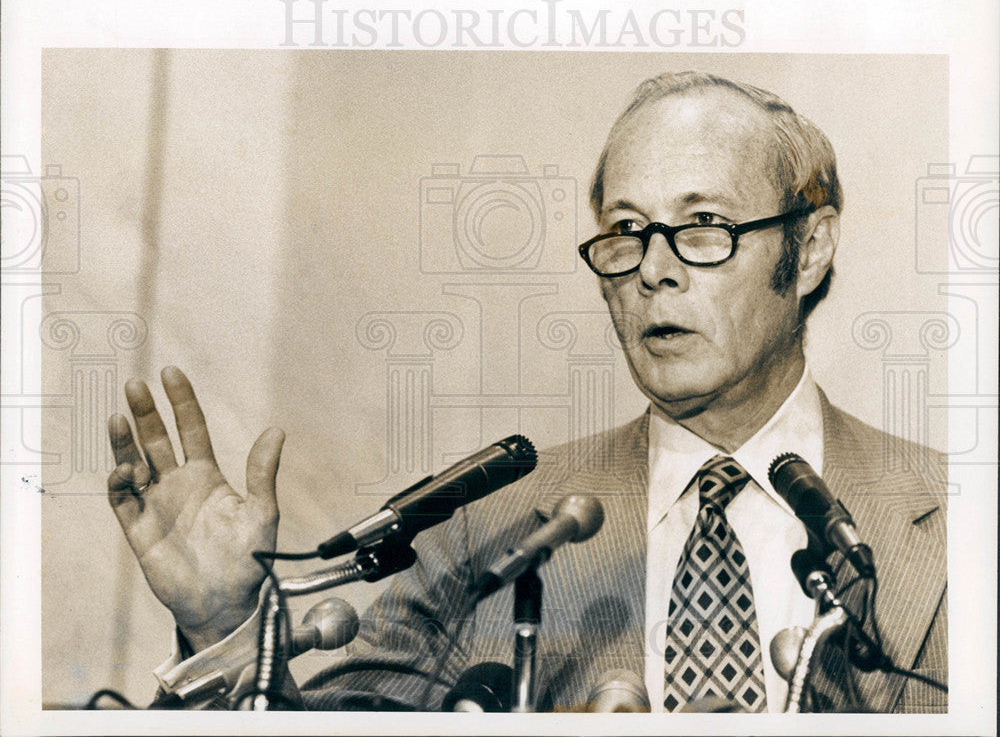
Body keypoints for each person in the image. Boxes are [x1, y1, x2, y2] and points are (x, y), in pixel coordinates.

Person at [106, 72, 947, 713]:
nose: (653, 270)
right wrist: (226, 625)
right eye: (624, 234)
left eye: (701, 229)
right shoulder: (492, 526)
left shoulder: (957, 517)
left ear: (809, 249)